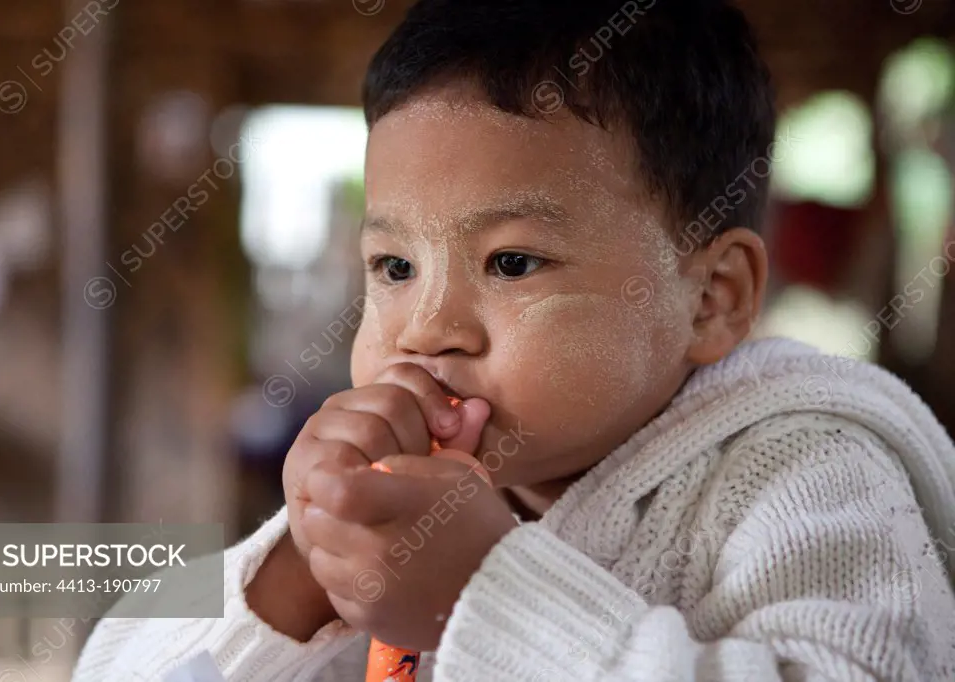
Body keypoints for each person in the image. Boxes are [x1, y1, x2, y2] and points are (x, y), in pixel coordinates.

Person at [73, 0, 955, 679]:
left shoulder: (811, 474)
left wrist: (484, 598)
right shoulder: (390, 500)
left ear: (712, 299)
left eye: (513, 262)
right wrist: (294, 581)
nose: (425, 328)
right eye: (393, 267)